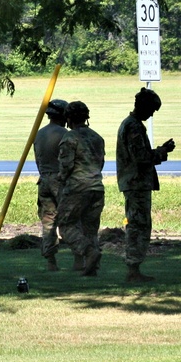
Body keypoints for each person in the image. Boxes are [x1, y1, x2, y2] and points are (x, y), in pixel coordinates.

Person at [116, 88, 175, 283]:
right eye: (151, 110)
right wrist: (162, 152)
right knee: (138, 225)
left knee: (139, 224)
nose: (151, 115)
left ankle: (134, 268)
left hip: (136, 183)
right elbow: (141, 158)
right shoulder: (133, 126)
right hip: (136, 184)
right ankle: (133, 269)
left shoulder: (133, 125)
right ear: (143, 106)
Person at [57, 101, 106, 276]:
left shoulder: (70, 138)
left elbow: (66, 165)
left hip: (77, 188)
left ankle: (88, 252)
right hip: (96, 187)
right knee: (90, 228)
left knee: (65, 225)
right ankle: (92, 267)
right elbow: (101, 162)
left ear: (68, 118)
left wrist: (60, 180)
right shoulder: (97, 137)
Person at [32, 99, 68, 271]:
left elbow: (38, 160)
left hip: (44, 180)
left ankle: (51, 261)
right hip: (60, 181)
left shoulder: (39, 134)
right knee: (70, 219)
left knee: (48, 222)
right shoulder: (65, 134)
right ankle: (80, 258)